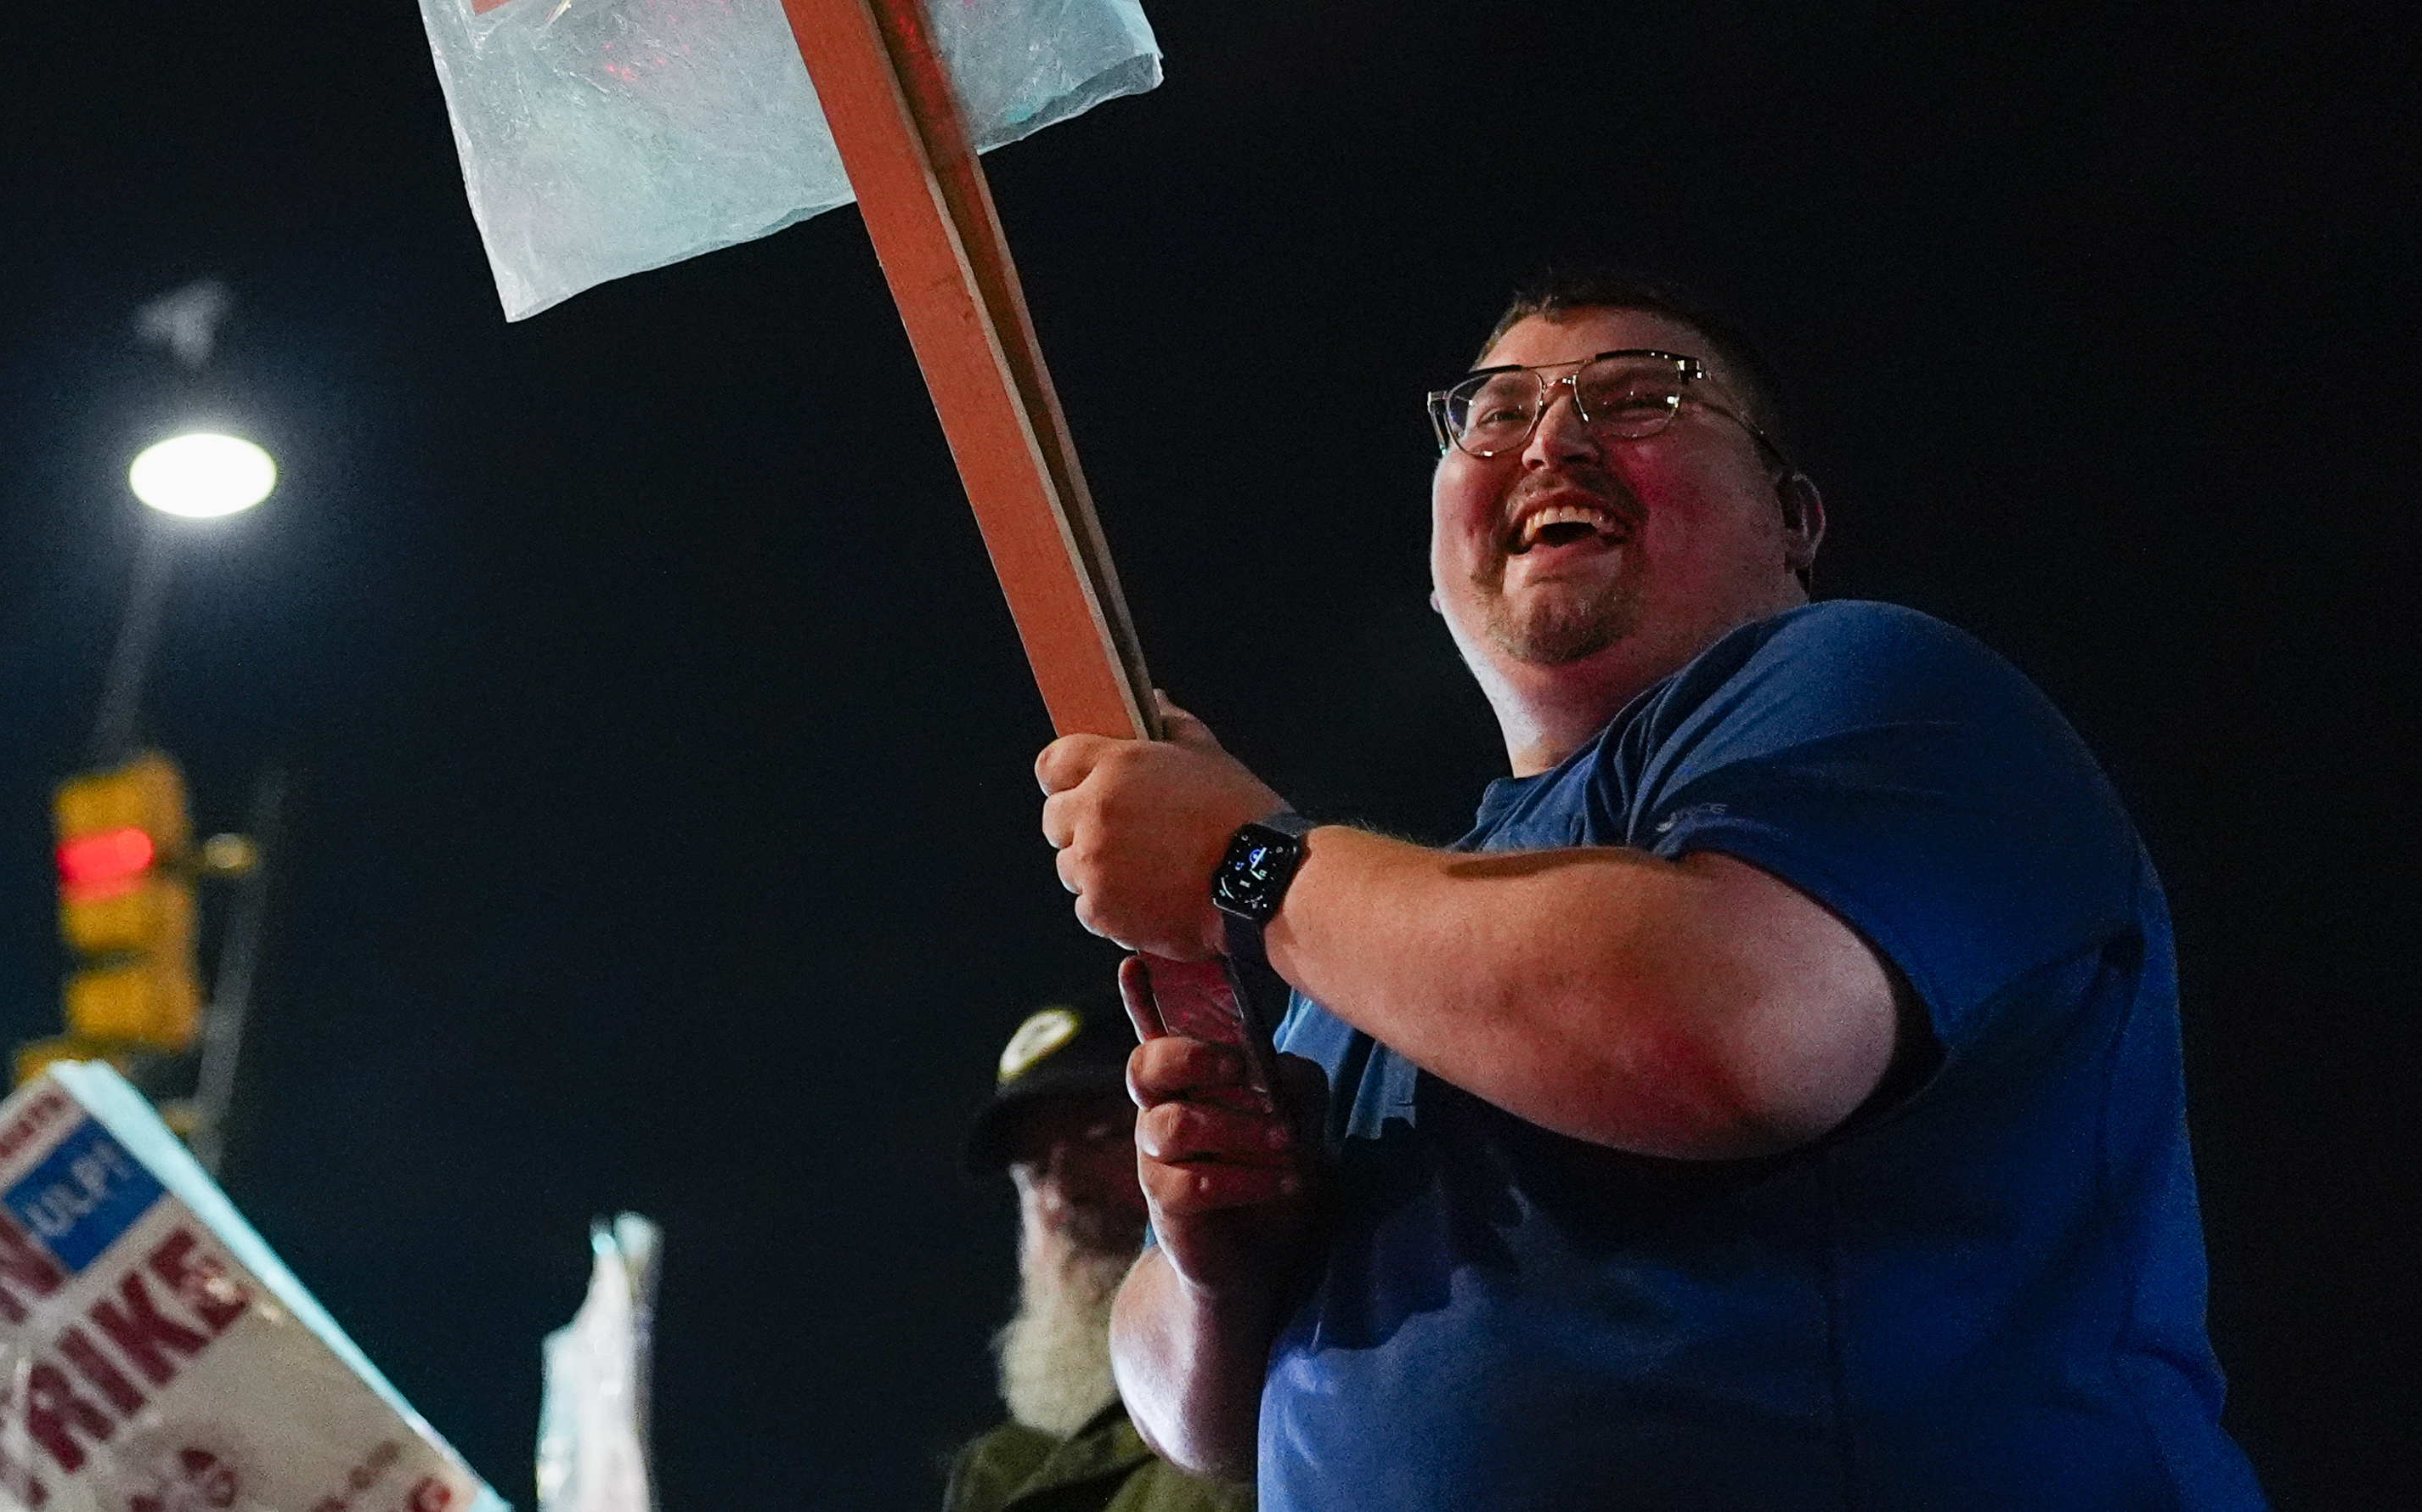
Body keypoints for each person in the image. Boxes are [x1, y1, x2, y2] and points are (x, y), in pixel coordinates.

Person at [1033, 273, 2262, 1507]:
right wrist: (1218, 1261)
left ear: (1789, 520)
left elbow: (1728, 1024)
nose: (1552, 441)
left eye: (1638, 401)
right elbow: (1191, 1424)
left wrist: (1241, 865)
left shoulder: (1880, 691)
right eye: (1493, 416)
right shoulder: (1365, 953)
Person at [943, 996, 1249, 1512]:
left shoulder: (1290, 1377)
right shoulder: (1001, 1477)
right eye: (1035, 1172)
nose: (1062, 1195)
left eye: (1102, 1138)